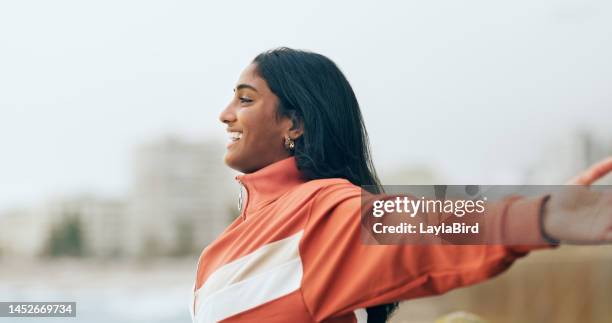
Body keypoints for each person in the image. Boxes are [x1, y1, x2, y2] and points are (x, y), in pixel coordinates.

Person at [191, 47, 612, 323]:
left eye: (246, 99)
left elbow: (420, 223)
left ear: (294, 123)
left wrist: (541, 214)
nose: (225, 114)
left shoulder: (318, 211)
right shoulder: (219, 251)